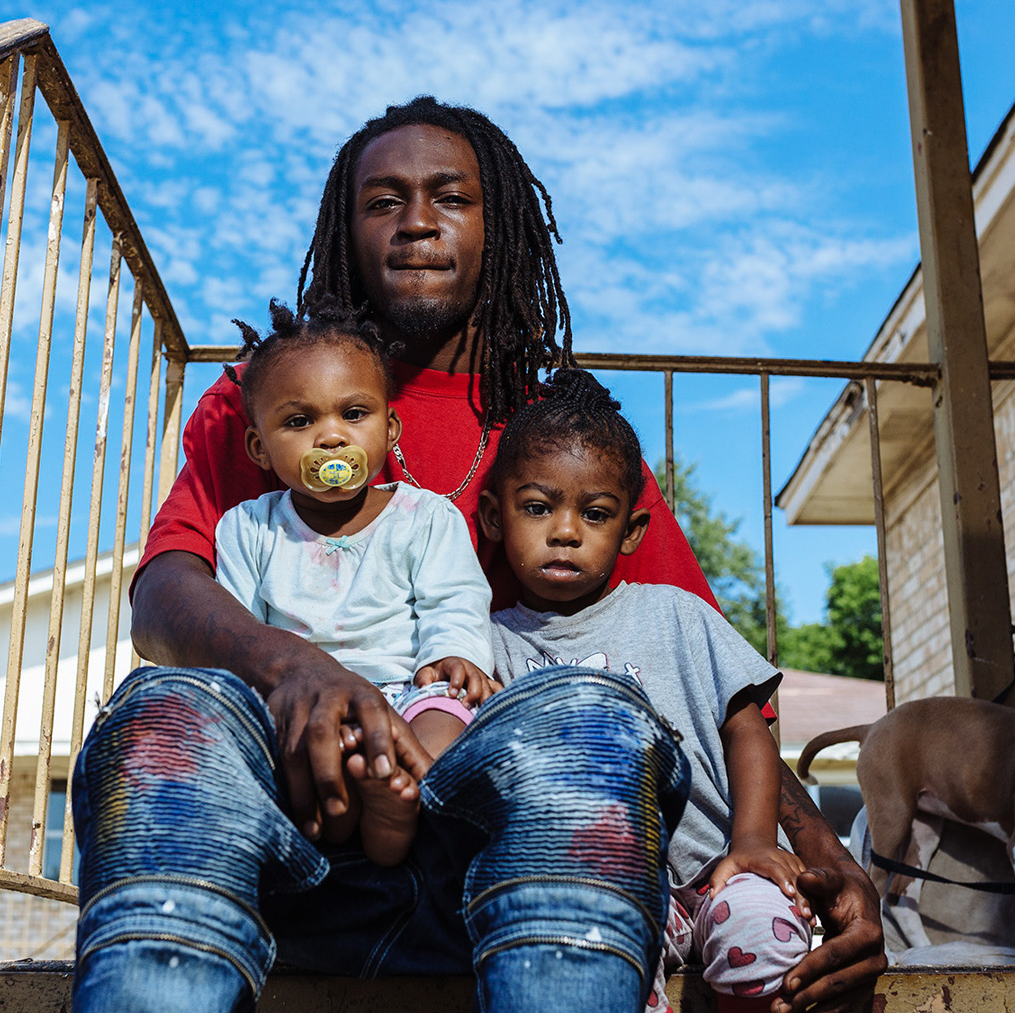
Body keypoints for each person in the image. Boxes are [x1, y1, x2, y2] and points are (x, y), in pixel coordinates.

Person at [85, 96, 883, 1013]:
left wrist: (817, 851)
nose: (417, 220)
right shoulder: (275, 398)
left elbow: (699, 674)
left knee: (590, 711)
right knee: (164, 709)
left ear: (496, 226)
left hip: (515, 868)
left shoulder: (567, 440)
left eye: (449, 197)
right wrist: (291, 666)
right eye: (383, 200)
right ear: (345, 233)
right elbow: (165, 595)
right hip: (288, 843)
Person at [481, 369, 811, 1012]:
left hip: (720, 868)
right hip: (603, 886)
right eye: (538, 508)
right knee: (592, 957)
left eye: (594, 514)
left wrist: (753, 842)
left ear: (630, 533)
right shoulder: (485, 645)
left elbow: (749, 727)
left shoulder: (677, 615)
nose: (566, 531)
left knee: (762, 941)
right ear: (496, 516)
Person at [212, 300, 499, 865]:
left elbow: (456, 601)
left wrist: (454, 655)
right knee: (256, 739)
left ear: (388, 429)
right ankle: (357, 803)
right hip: (302, 703)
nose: (331, 438)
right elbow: (237, 634)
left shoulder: (426, 517)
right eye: (300, 422)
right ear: (259, 447)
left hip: (407, 694)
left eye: (354, 414)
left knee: (449, 712)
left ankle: (408, 793)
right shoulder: (247, 528)